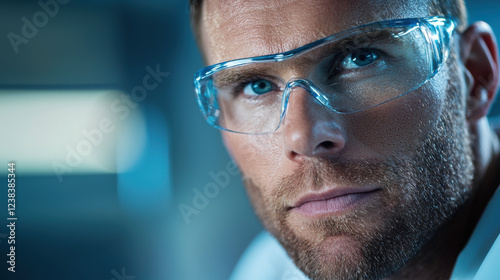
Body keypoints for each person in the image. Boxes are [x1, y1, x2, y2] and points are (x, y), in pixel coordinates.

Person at [190, 0, 500, 279]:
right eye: (255, 86)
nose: (303, 137)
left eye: (360, 58)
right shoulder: (267, 269)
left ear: (475, 74)